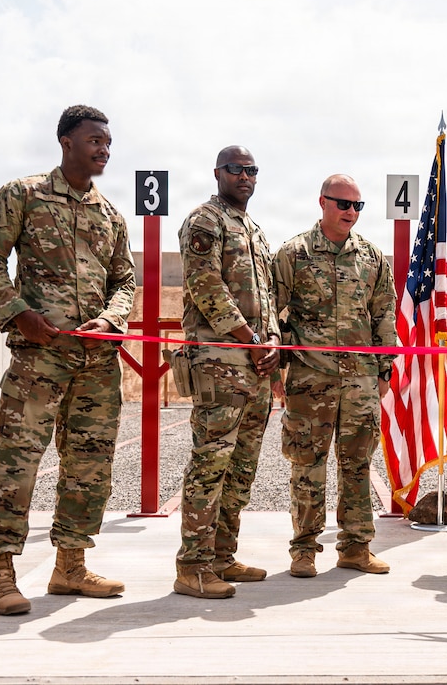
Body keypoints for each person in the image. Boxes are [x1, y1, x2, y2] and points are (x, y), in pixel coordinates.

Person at [0, 104, 136, 615]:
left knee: (89, 466)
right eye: (94, 140)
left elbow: (125, 282)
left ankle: (70, 566)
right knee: (17, 461)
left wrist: (111, 321)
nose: (103, 148)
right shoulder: (22, 195)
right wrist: (18, 314)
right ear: (66, 141)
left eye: (107, 142)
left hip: (96, 363)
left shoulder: (110, 215)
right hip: (39, 358)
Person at [273, 174, 397, 578]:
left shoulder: (373, 258)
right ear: (322, 202)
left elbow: (383, 315)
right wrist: (278, 369)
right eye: (343, 204)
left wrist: (384, 371)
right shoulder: (293, 254)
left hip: (360, 380)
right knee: (307, 463)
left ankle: (356, 547)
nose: (351, 212)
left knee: (358, 464)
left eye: (358, 206)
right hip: (311, 379)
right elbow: (274, 313)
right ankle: (304, 549)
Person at [173, 146, 281, 599]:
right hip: (221, 364)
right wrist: (251, 340)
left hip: (255, 366)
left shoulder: (254, 230)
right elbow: (205, 286)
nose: (245, 176)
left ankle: (221, 556)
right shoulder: (205, 220)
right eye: (236, 169)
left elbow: (269, 296)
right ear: (218, 172)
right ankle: (192, 566)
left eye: (252, 170)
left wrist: (272, 339)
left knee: (241, 468)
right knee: (211, 462)